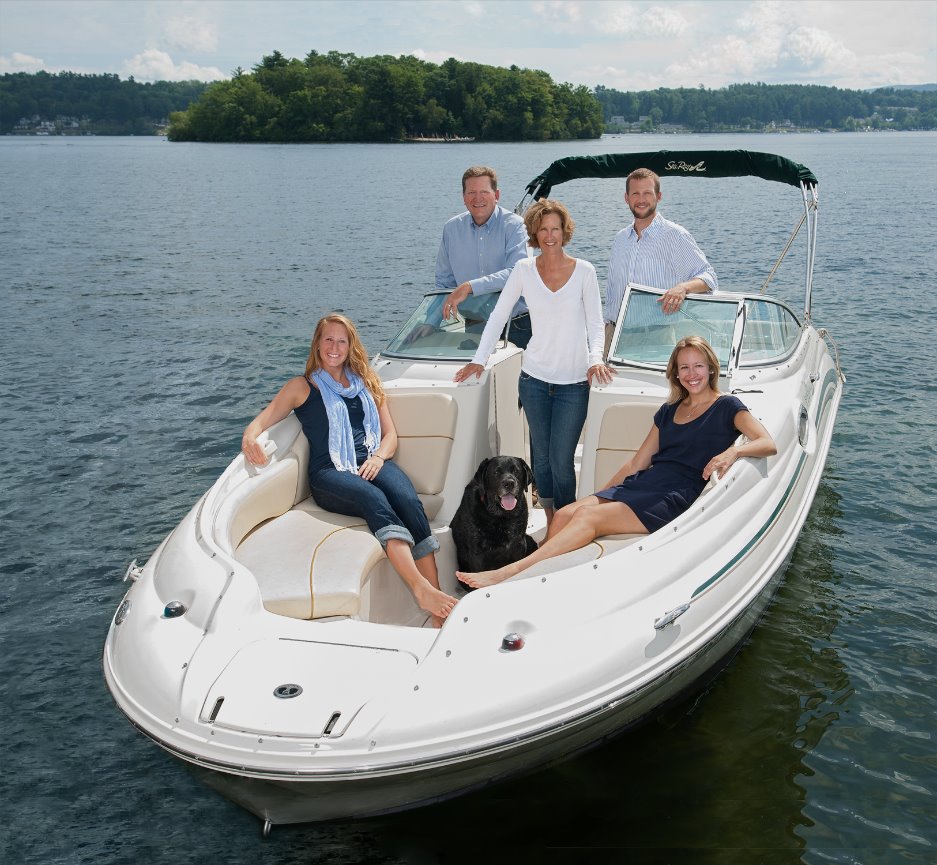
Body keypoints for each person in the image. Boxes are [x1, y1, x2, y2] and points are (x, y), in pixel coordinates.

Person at [457, 335, 776, 588]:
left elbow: (767, 443)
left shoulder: (727, 406)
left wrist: (733, 451)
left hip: (674, 496)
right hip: (644, 485)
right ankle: (539, 577)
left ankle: (510, 574)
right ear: (675, 373)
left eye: (698, 366)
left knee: (587, 520)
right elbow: (637, 464)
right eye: (684, 368)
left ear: (711, 368)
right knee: (568, 513)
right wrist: (596, 498)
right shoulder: (669, 411)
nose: (691, 374)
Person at [241, 314, 457, 624]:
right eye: (328, 339)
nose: (334, 347)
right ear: (317, 344)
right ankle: (420, 589)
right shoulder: (302, 387)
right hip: (330, 474)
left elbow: (390, 436)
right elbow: (265, 418)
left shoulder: (366, 382)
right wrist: (250, 437)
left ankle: (437, 603)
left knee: (407, 499)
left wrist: (378, 458)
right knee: (376, 500)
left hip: (371, 460)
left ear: (350, 345)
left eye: (341, 341)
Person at [454, 199, 612, 529]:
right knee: (541, 460)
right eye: (543, 229)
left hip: (573, 384)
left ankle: (568, 524)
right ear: (535, 233)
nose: (550, 235)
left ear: (564, 232)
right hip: (534, 380)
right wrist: (479, 359)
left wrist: (595, 359)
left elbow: (597, 324)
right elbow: (498, 316)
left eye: (555, 229)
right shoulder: (524, 271)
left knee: (561, 460)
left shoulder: (584, 271)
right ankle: (553, 521)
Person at [604, 167, 718, 355]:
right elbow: (611, 292)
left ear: (659, 196)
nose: (641, 199)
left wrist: (683, 288)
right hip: (614, 336)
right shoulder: (620, 239)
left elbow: (709, 277)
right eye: (635, 193)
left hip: (657, 337)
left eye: (648, 193)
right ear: (626, 198)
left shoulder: (675, 235)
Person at [436, 166, 532, 348]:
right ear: (464, 197)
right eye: (471, 192)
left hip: (516, 326)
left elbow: (516, 273)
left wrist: (470, 287)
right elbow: (444, 282)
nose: (477, 198)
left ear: (496, 195)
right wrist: (430, 323)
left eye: (484, 192)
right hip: (475, 325)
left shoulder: (515, 226)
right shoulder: (451, 229)